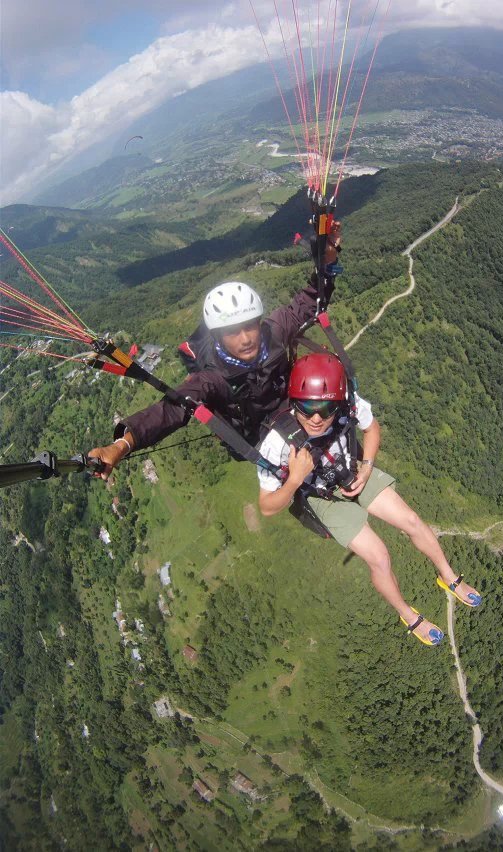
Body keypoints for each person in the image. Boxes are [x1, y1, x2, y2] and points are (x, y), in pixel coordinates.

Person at [257, 352, 482, 646]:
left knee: (411, 520)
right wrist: (295, 479)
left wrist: (367, 467)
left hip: (351, 469)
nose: (316, 418)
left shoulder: (349, 402)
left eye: (326, 408)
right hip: (319, 495)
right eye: (306, 407)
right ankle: (409, 616)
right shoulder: (276, 442)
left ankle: (449, 577)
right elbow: (267, 506)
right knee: (379, 556)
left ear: (337, 401)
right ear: (293, 401)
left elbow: (371, 427)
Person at [88, 223, 342, 478]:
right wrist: (121, 445)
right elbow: (172, 409)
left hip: (289, 409)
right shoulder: (212, 378)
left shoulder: (274, 332)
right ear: (218, 337)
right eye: (232, 332)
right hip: (256, 435)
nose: (245, 339)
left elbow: (308, 302)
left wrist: (328, 262)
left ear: (259, 322)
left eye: (250, 326)